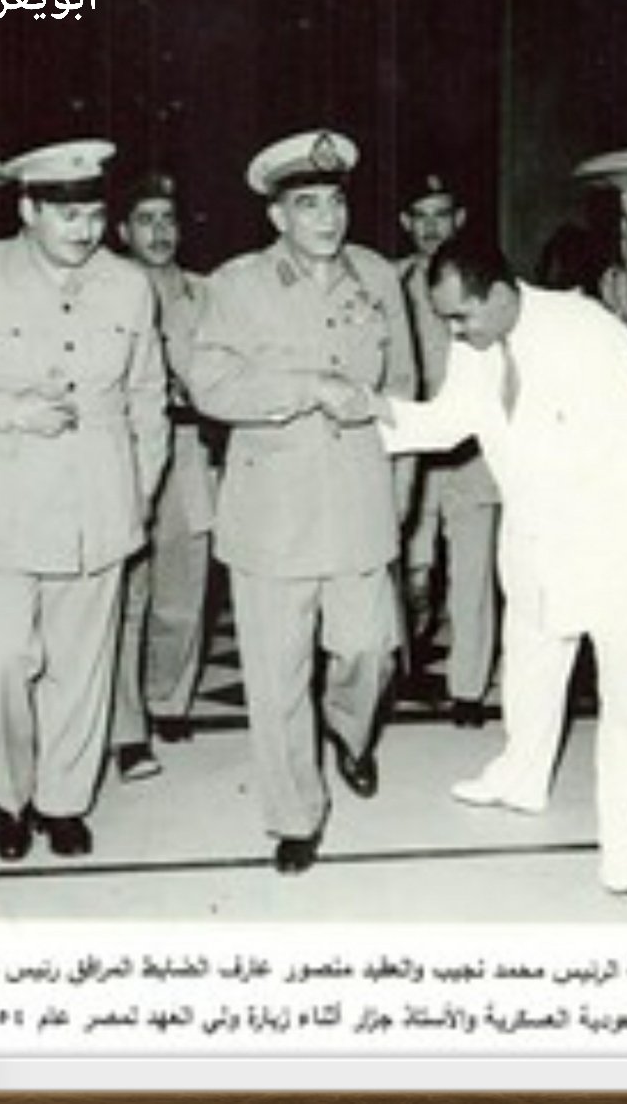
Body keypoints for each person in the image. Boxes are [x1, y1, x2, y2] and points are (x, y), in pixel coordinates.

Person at [366, 230, 627, 895]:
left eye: (461, 316)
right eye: (446, 318)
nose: (453, 331)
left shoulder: (590, 332)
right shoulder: (476, 346)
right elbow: (447, 422)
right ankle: (520, 778)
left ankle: (626, 832)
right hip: (530, 541)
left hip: (614, 542)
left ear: (501, 294)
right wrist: (370, 410)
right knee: (529, 668)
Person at [0, 139, 169, 860]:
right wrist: (8, 411)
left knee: (80, 666)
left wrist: (139, 490)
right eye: (68, 216)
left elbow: (147, 398)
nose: (85, 230)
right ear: (29, 210)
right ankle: (10, 792)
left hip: (97, 500)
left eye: (93, 214)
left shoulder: (128, 286)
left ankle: (64, 801)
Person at [188, 129, 416, 874]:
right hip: (272, 513)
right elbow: (209, 386)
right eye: (308, 204)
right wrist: (305, 388)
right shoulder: (236, 285)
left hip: (359, 503)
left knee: (368, 651)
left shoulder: (377, 276)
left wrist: (403, 494)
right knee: (276, 674)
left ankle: (350, 732)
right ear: (277, 216)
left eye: (335, 201)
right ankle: (295, 815)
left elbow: (403, 390)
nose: (327, 218)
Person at [109, 169, 218, 780]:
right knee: (127, 595)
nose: (159, 232)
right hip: (123, 452)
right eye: (145, 220)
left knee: (183, 589)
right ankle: (128, 730)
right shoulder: (107, 292)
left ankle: (168, 700)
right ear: (122, 231)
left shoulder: (206, 295)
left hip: (190, 449)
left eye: (168, 220)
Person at [396, 175, 499, 727]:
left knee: (472, 573)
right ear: (406, 223)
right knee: (408, 569)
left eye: (442, 214)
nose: (431, 227)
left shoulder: (487, 281)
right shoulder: (387, 283)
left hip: (470, 451)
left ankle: (468, 690)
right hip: (411, 448)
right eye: (421, 215)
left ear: (459, 219)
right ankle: (402, 668)